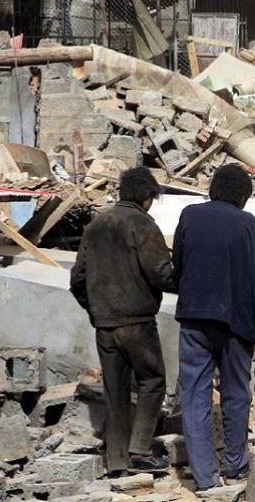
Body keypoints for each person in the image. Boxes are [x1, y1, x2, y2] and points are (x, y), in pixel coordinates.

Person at [172, 164, 255, 492]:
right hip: (237, 324)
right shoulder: (248, 225)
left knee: (194, 396)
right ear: (243, 196)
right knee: (235, 394)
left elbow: (179, 265)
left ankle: (204, 478)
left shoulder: (189, 215)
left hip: (194, 319)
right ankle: (236, 466)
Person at [70, 167, 173, 477]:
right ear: (146, 197)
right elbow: (161, 272)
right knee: (152, 381)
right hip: (137, 322)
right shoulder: (143, 226)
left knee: (115, 391)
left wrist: (96, 310)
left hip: (104, 324)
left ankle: (116, 461)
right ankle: (140, 450)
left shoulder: (96, 225)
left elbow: (77, 279)